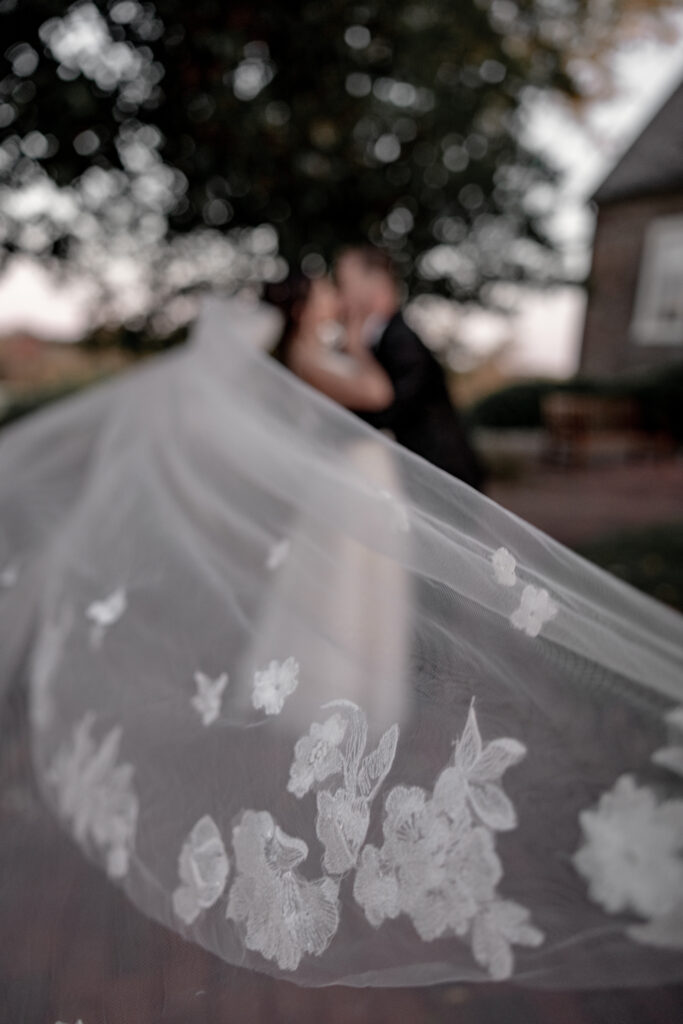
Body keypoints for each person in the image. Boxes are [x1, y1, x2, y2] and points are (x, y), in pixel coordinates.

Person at [0, 295, 682, 1016]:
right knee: (333, 602)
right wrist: (353, 338)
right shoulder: (308, 352)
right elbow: (372, 394)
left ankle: (359, 685)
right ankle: (328, 695)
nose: (334, 294)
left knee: (365, 603)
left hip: (361, 482)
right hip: (348, 484)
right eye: (322, 290)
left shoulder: (322, 343)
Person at [334, 246, 485, 490]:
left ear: (377, 281)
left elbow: (390, 406)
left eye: (346, 281)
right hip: (405, 476)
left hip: (442, 478)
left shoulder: (403, 341)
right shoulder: (371, 338)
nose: (341, 291)